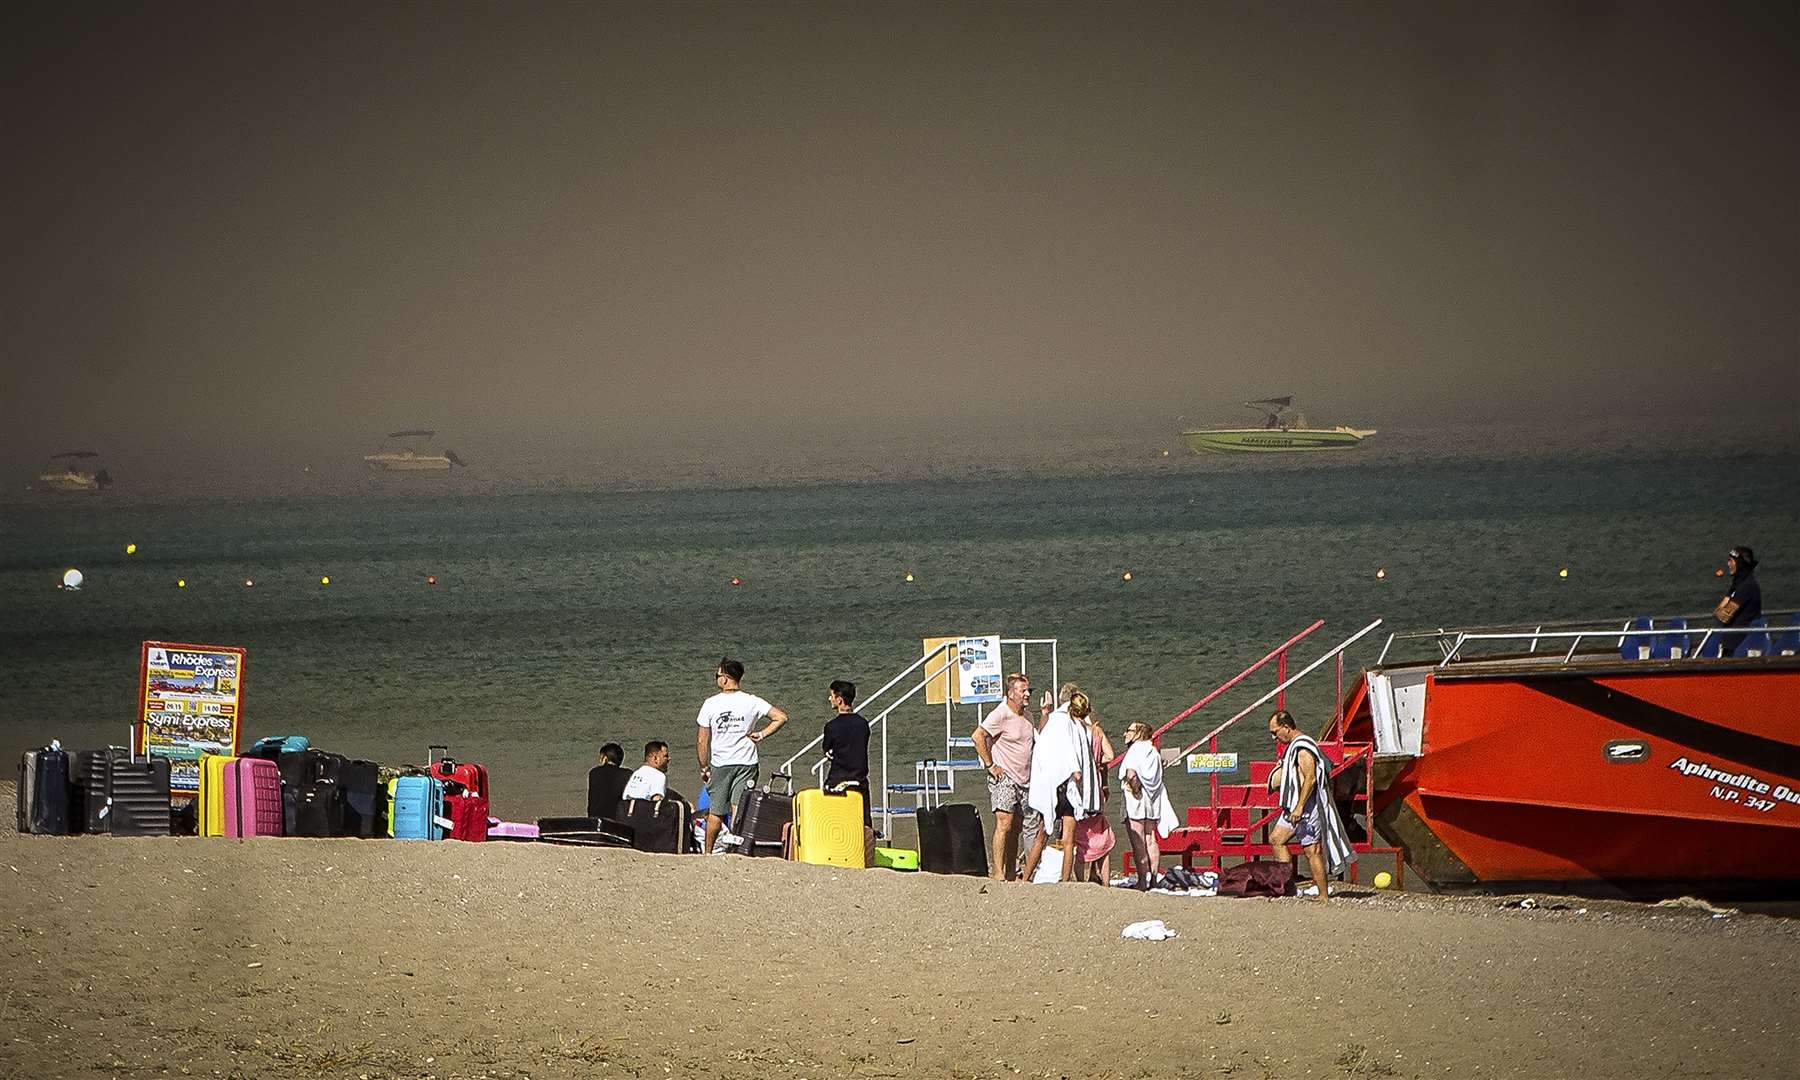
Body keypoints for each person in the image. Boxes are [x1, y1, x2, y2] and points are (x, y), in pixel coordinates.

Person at [696, 657, 789, 855]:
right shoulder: (752, 701)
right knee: (739, 807)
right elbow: (781, 717)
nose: (716, 679)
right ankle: (737, 849)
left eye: (717, 675)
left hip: (721, 763)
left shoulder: (711, 704)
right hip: (747, 761)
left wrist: (704, 767)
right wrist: (761, 734)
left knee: (716, 810)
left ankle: (708, 851)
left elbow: (702, 741)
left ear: (726, 678)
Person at [1265, 709, 1354, 903]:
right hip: (1293, 806)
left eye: (1275, 732)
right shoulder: (1294, 746)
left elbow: (1311, 779)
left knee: (1312, 850)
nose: (1274, 737)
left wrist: (1299, 807)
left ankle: (1323, 895)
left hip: (1307, 807)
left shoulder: (1303, 747)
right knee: (1276, 839)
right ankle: (1287, 886)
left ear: (1286, 727)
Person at [1024, 688, 1100, 883]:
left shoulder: (1057, 721)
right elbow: (1075, 753)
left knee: (1042, 834)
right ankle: (1064, 881)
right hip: (1068, 786)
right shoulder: (1077, 726)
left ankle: (1025, 877)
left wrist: (1045, 713)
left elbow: (1043, 744)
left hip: (1054, 785)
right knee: (1068, 838)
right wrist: (1076, 771)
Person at [971, 672, 1037, 882]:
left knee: (1017, 827)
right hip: (1005, 776)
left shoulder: (1028, 716)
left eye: (1028, 690)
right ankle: (998, 872)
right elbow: (978, 736)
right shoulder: (1001, 714)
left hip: (1024, 779)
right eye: (1023, 691)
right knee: (1004, 822)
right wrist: (990, 765)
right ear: (1010, 693)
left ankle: (1010, 870)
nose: (1027, 694)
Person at [1118, 722, 1177, 890]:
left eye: (1129, 731)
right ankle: (1153, 879)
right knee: (1151, 839)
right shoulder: (1153, 752)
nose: (1125, 734)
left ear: (1137, 734)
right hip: (1152, 799)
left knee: (1138, 841)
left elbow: (1130, 773)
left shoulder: (1135, 750)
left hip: (1136, 799)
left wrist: (1135, 788)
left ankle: (1143, 881)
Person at [1073, 699, 1117, 883]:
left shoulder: (1074, 732)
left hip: (1080, 790)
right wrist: (1097, 763)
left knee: (1079, 839)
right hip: (1096, 790)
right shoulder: (1096, 732)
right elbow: (1110, 755)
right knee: (1101, 837)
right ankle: (1104, 882)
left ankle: (1081, 881)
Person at [821, 679, 872, 830]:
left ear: (839, 699)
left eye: (832, 696)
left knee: (830, 821)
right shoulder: (863, 724)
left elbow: (826, 748)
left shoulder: (832, 726)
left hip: (838, 780)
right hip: (859, 780)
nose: (830, 699)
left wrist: (830, 753)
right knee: (864, 826)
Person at [1717, 545, 1762, 655]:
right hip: (1729, 644)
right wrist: (1720, 611)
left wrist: (1721, 611)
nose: (1728, 564)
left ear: (1739, 564)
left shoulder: (1748, 586)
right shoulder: (1737, 585)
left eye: (1730, 561)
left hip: (1740, 646)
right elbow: (1718, 611)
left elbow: (1724, 617)